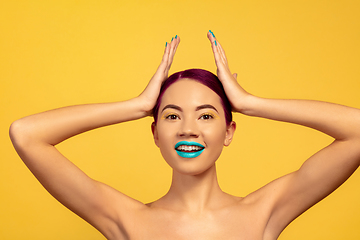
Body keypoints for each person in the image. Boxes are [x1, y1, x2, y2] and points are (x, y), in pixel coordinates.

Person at [9, 31, 360, 240]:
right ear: (155, 133)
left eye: (206, 115)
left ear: (229, 131)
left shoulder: (265, 211)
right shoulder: (125, 218)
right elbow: (26, 134)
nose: (188, 128)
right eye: (171, 115)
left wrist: (250, 102)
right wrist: (136, 105)